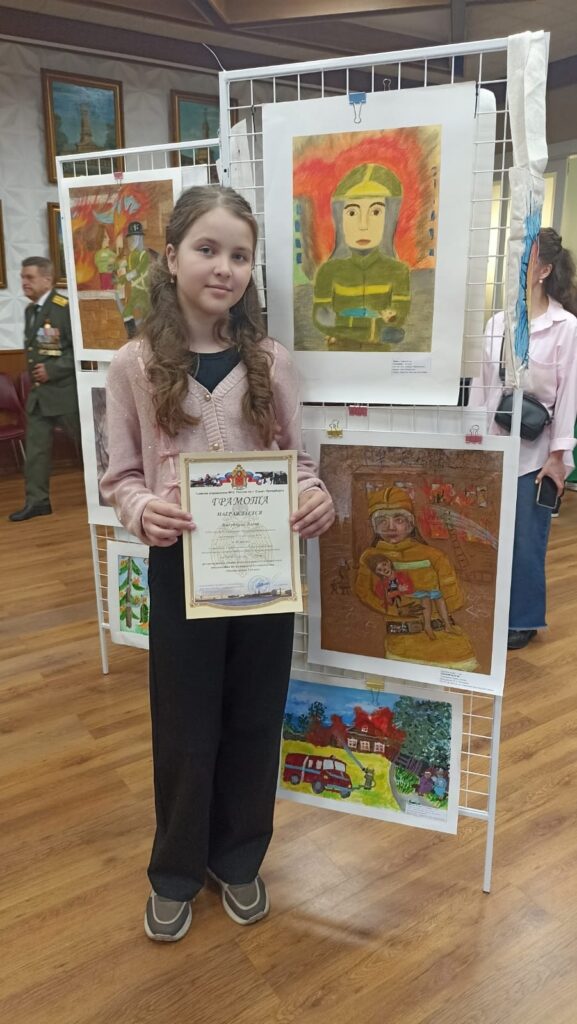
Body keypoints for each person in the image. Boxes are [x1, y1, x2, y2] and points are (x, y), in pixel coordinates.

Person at [100, 186, 335, 942]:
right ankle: (175, 869)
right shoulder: (134, 365)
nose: (224, 267)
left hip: (266, 573)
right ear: (171, 257)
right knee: (184, 724)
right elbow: (119, 477)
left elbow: (298, 463)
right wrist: (142, 508)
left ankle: (238, 858)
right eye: (207, 249)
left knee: (255, 718)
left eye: (239, 254)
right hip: (182, 573)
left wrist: (314, 496)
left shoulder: (271, 362)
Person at [469, 228, 577, 650]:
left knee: (527, 539)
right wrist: (473, 442)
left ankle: (523, 618)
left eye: (523, 258)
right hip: (495, 445)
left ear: (544, 270)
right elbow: (482, 389)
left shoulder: (566, 327)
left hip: (536, 453)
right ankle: (490, 611)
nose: (514, 266)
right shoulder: (498, 323)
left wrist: (558, 458)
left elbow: (568, 397)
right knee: (488, 535)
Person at [355, 486, 478, 670]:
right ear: (374, 526)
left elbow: (454, 600)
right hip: (402, 645)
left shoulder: (434, 556)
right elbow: (363, 593)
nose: (390, 527)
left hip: (449, 644)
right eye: (382, 520)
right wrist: (396, 611)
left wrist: (425, 606)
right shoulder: (370, 558)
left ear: (410, 524)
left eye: (398, 519)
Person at [9, 257, 80, 522]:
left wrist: (54, 369)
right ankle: (37, 502)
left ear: (47, 279)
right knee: (36, 451)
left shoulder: (63, 308)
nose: (24, 282)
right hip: (39, 397)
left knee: (89, 448)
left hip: (66, 395)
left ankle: (112, 496)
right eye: (22, 277)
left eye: (29, 277)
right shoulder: (31, 311)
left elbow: (80, 350)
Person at [312, 163, 411, 347]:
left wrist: (342, 327)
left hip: (382, 359)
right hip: (337, 357)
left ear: (388, 218)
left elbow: (398, 319)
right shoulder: (328, 271)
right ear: (340, 218)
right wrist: (375, 331)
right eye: (352, 212)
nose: (363, 225)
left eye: (375, 212)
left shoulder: (399, 271)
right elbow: (322, 318)